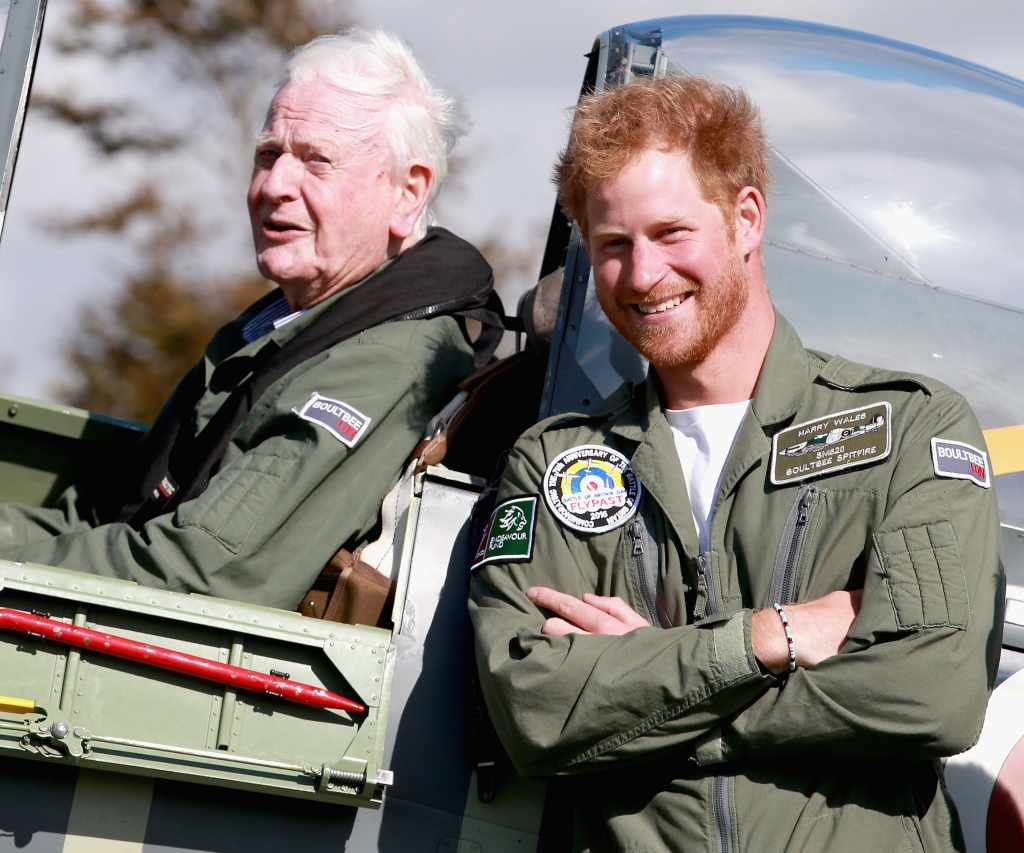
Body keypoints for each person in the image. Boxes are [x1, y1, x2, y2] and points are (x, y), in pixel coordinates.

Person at [469, 75, 1003, 852]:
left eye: (672, 233)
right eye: (613, 245)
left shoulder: (911, 429)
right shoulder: (555, 462)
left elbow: (934, 695)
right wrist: (766, 638)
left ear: (746, 218)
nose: (644, 275)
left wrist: (647, 695)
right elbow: (534, 712)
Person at [0, 30, 497, 612]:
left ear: (407, 193)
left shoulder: (384, 358)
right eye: (269, 155)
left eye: (317, 161)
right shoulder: (280, 326)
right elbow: (103, 513)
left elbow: (197, 571)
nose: (273, 186)